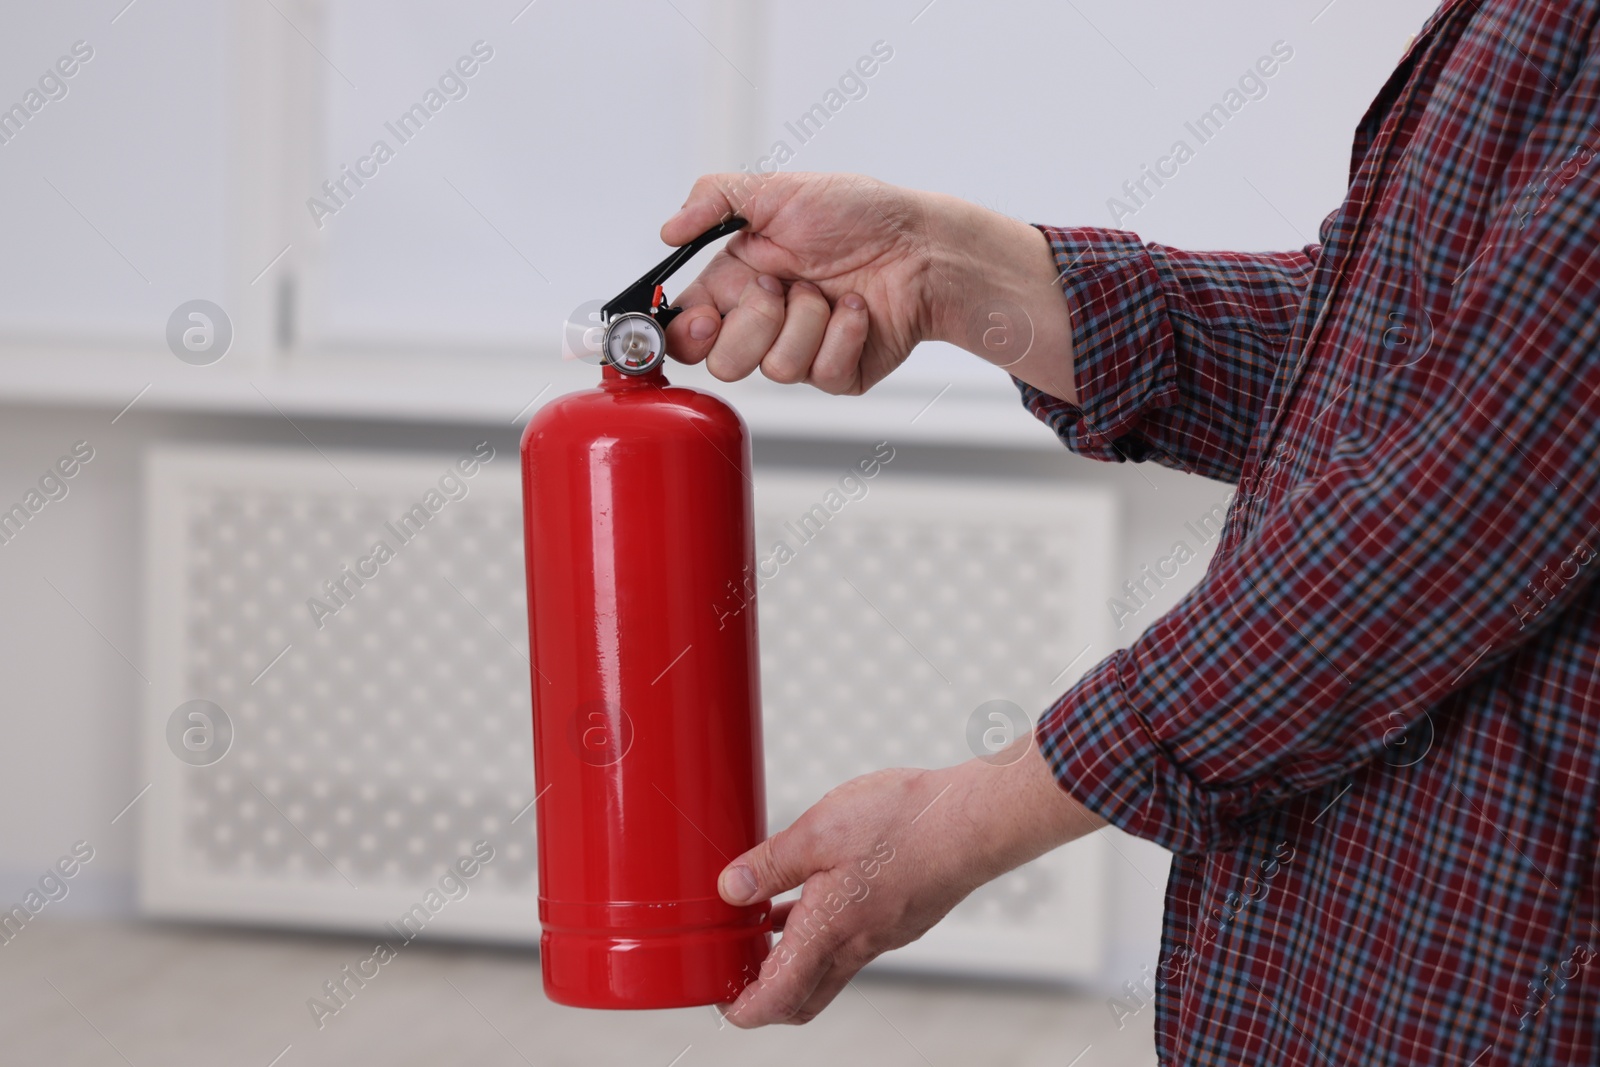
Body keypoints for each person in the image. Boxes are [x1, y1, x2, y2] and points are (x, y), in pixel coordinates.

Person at [655, 1, 1600, 1061]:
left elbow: (1442, 513)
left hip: (1494, 978)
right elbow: (1369, 360)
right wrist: (938, 266)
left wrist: (956, 825)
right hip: (1335, 947)